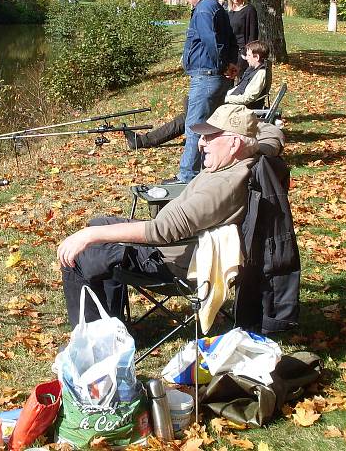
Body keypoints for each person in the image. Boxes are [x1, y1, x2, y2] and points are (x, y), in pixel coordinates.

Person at [59, 105, 266, 325]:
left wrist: (90, 235)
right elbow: (269, 132)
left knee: (79, 257)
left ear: (234, 143)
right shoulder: (235, 163)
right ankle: (111, 324)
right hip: (175, 246)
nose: (200, 143)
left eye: (210, 136)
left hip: (171, 262)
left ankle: (93, 340)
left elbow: (161, 231)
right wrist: (96, 231)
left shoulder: (223, 186)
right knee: (99, 224)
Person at [125, 40, 274, 149]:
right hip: (230, 104)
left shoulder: (260, 73)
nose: (245, 57)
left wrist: (225, 97)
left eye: (248, 55)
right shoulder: (255, 69)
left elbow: (248, 98)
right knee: (189, 107)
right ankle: (144, 140)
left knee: (189, 113)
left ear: (256, 56)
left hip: (236, 109)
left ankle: (143, 141)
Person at [171, 0, 238, 184]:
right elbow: (231, 39)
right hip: (217, 76)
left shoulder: (202, 9)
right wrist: (232, 63)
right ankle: (209, 168)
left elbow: (211, 41)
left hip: (207, 76)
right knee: (211, 126)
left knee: (194, 127)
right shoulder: (217, 7)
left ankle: (187, 176)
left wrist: (222, 64)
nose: (186, 0)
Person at [227, 0, 259, 76]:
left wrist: (246, 54)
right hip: (229, 53)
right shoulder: (228, 11)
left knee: (241, 85)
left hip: (242, 54)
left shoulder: (249, 10)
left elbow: (253, 35)